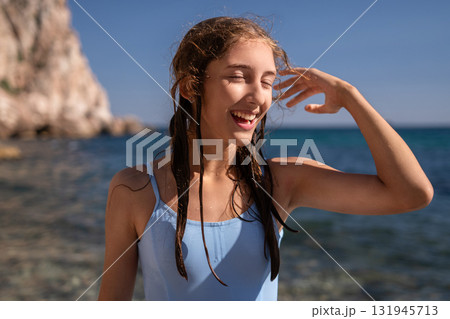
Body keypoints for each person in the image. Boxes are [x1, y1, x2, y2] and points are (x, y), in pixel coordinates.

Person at [97, 16, 433, 301]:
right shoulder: (136, 189)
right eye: (238, 76)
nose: (258, 96)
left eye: (268, 82)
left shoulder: (280, 182)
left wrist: (350, 97)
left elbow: (411, 194)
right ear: (190, 86)